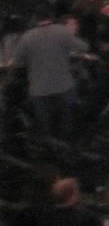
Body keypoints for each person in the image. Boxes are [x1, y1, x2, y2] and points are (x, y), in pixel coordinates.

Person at [13, 11, 89, 141]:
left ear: (36, 20)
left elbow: (18, 60)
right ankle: (67, 151)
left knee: (44, 127)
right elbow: (83, 47)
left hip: (39, 90)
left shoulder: (27, 37)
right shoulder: (61, 31)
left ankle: (47, 153)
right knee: (66, 123)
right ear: (51, 18)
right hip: (64, 87)